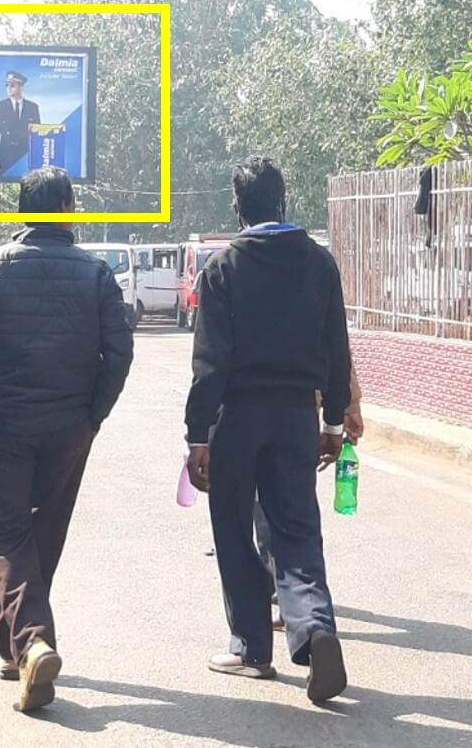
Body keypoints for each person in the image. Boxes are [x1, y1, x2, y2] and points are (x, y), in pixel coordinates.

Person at [0, 167, 133, 713]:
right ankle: (17, 646)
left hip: (9, 429)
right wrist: (94, 415)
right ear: (67, 209)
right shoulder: (97, 274)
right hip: (71, 429)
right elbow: (119, 354)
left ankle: (34, 641)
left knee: (11, 536)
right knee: (41, 533)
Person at [184, 157, 351, 702]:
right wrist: (333, 421)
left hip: (238, 417)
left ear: (239, 206)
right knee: (297, 527)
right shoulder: (319, 264)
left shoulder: (224, 268)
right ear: (282, 201)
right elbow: (336, 349)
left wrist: (198, 435)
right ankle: (314, 628)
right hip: (299, 416)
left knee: (234, 527)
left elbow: (210, 362)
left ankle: (252, 647)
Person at [258, 366, 364, 631]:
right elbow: (336, 348)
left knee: (269, 512)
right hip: (302, 408)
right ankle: (303, 606)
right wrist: (348, 407)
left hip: (254, 403)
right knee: (297, 513)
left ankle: (291, 607)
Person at [0, 71, 41, 176]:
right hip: (5, 156)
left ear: (21, 87)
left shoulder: (32, 107)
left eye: (12, 85)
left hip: (25, 156)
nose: (9, 88)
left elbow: (36, 135)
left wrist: (37, 158)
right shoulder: (0, 106)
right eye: (7, 85)